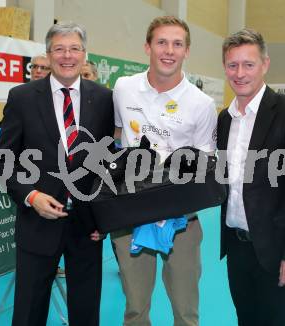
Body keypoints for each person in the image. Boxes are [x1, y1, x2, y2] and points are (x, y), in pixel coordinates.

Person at [0, 22, 114, 326]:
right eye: (59, 49)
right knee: (28, 312)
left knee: (86, 313)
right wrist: (31, 196)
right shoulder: (21, 98)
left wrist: (105, 217)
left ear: (84, 54)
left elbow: (108, 163)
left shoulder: (103, 99)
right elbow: (5, 161)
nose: (67, 56)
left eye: (74, 48)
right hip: (37, 223)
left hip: (88, 227)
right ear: (48, 55)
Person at [112, 16, 217, 326]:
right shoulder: (123, 88)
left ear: (186, 51)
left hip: (182, 220)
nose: (168, 50)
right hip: (130, 215)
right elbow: (114, 139)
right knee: (134, 311)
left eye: (177, 44)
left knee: (186, 313)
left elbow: (204, 165)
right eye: (161, 42)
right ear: (147, 47)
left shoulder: (202, 104)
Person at [217, 28, 285, 326]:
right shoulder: (225, 119)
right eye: (232, 65)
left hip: (277, 251)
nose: (239, 73)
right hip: (237, 248)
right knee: (245, 320)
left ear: (265, 64)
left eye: (248, 64)